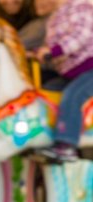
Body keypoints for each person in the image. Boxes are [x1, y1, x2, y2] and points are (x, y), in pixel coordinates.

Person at [33, 0, 93, 162]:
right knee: (46, 92)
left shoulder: (81, 6)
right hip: (70, 73)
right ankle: (44, 136)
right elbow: (51, 47)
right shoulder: (54, 17)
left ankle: (67, 144)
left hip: (90, 67)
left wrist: (54, 51)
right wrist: (40, 54)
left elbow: (81, 36)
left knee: (73, 95)